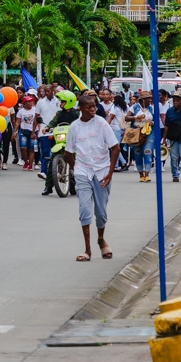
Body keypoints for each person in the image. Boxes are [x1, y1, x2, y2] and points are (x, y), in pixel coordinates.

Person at [68, 92, 120, 261]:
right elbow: (68, 151)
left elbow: (115, 148)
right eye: (89, 107)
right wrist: (75, 168)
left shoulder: (102, 124)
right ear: (80, 108)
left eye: (94, 106)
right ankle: (87, 250)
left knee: (101, 212)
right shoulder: (74, 127)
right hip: (83, 171)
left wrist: (110, 173)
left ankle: (100, 239)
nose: (93, 109)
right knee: (84, 209)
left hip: (102, 171)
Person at [42, 90, 80, 196]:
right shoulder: (59, 113)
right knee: (53, 161)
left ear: (69, 101)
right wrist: (47, 127)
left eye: (63, 101)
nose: (61, 103)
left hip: (74, 141)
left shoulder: (77, 113)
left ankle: (79, 184)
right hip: (60, 139)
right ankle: (48, 186)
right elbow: (53, 122)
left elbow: (82, 123)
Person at [127, 92, 154, 182]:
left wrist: (151, 123)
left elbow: (156, 120)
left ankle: (147, 174)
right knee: (138, 153)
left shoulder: (152, 108)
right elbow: (127, 118)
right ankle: (141, 175)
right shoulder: (134, 107)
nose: (150, 100)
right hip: (136, 133)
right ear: (142, 100)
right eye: (148, 99)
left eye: (150, 98)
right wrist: (136, 117)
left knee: (147, 151)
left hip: (148, 133)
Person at [34, 85, 61, 175]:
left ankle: (57, 171)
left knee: (57, 152)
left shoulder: (59, 101)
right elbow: (37, 116)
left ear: (53, 90)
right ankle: (44, 172)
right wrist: (36, 129)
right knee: (45, 152)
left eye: (48, 91)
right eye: (45, 91)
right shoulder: (40, 102)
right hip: (44, 131)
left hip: (57, 131)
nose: (46, 93)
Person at [15, 94, 39, 169]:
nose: (30, 103)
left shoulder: (35, 110)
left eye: (31, 101)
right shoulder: (20, 111)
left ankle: (31, 165)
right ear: (25, 103)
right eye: (28, 102)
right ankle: (26, 161)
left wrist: (38, 131)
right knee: (23, 148)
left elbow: (37, 121)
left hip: (33, 131)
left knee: (31, 149)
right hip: (23, 131)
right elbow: (17, 122)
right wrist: (14, 131)